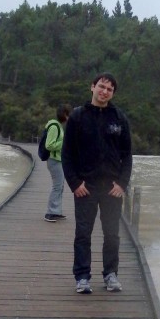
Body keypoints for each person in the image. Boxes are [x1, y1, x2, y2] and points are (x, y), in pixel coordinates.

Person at [61, 72, 132, 293]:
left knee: (112, 234)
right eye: (101, 86)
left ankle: (111, 274)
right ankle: (82, 277)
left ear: (113, 93)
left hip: (112, 188)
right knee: (83, 233)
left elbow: (127, 155)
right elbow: (67, 154)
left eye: (109, 89)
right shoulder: (77, 117)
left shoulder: (119, 118)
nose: (104, 91)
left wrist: (122, 183)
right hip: (86, 187)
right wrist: (75, 183)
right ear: (92, 87)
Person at [43, 103, 72, 222]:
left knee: (60, 186)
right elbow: (49, 145)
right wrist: (64, 142)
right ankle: (50, 212)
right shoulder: (55, 127)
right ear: (64, 114)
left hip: (58, 160)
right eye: (69, 114)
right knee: (57, 186)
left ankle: (56, 211)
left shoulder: (58, 126)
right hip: (54, 160)